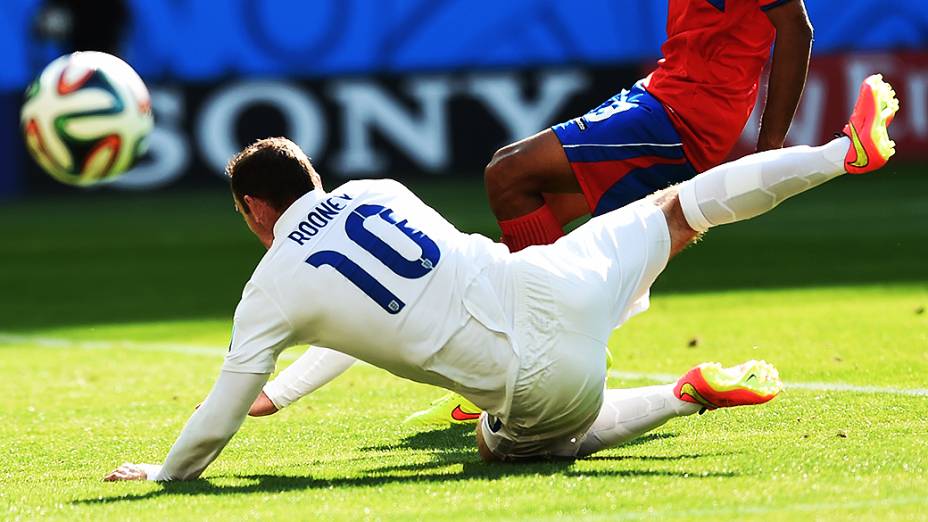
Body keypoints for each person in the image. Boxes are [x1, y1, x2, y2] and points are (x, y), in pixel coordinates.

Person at [104, 74, 897, 479]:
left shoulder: (274, 283)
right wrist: (292, 387)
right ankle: (841, 152)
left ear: (252, 210)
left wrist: (168, 471)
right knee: (682, 207)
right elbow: (359, 311)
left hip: (543, 384)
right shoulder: (376, 191)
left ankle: (683, 393)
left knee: (499, 444)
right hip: (555, 278)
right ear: (314, 176)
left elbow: (218, 416)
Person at [252, 0, 817, 426]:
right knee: (570, 207)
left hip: (688, 108)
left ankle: (531, 339)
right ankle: (539, 346)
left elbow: (796, 24)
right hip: (666, 89)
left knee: (509, 172)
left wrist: (769, 150)